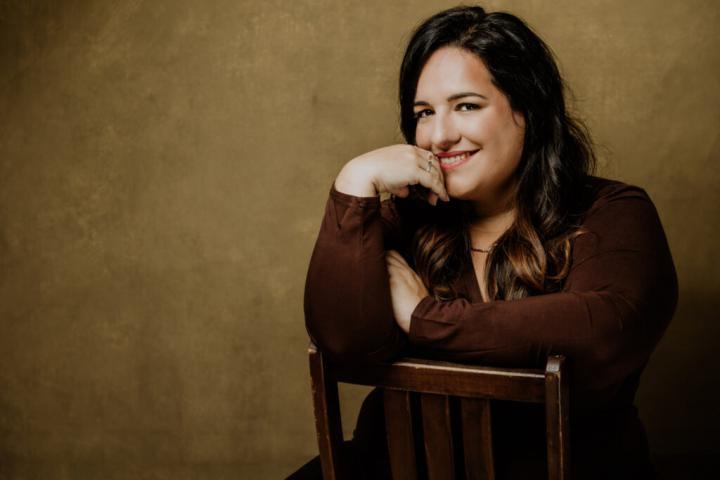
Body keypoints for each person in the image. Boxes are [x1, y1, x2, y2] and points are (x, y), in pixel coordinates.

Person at [295, 5, 677, 480]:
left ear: (528, 110)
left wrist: (424, 317)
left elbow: (601, 330)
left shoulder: (612, 211)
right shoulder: (401, 220)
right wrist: (354, 182)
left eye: (467, 106)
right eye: (424, 113)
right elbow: (343, 344)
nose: (439, 136)